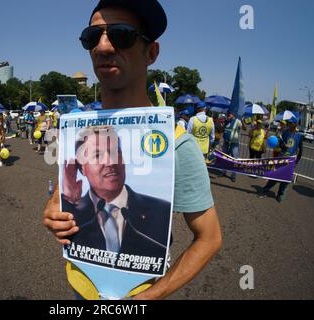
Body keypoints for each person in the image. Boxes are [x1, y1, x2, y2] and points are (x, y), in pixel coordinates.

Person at [43, 0, 222, 300]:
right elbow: (66, 190)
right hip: (80, 292)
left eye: (121, 34)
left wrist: (148, 298)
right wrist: (55, 208)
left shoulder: (177, 142)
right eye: (92, 37)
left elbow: (209, 238)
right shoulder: (78, 127)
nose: (103, 46)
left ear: (151, 52)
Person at [62, 126, 170, 261]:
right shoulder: (72, 211)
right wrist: (69, 203)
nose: (110, 161)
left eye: (115, 152)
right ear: (81, 167)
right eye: (98, 155)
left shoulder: (161, 210)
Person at [258, 120, 303, 203]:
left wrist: (296, 162)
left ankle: (280, 194)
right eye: (289, 123)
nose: (290, 124)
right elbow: (280, 144)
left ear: (296, 124)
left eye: (292, 123)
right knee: (275, 176)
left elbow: (300, 150)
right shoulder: (285, 133)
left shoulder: (299, 135)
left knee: (285, 180)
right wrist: (283, 145)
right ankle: (265, 191)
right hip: (281, 158)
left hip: (290, 161)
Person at [219, 111, 244, 182]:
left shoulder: (237, 121)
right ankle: (223, 172)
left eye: (229, 114)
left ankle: (233, 175)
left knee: (234, 160)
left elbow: (244, 128)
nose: (228, 115)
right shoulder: (226, 121)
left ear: (233, 114)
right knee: (224, 158)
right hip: (226, 143)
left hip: (234, 144)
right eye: (227, 114)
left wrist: (243, 122)